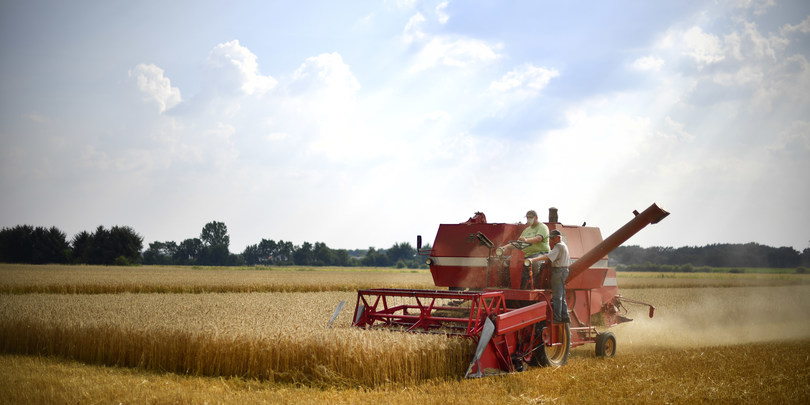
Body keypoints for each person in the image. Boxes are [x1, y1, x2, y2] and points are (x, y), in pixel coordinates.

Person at [499, 210, 549, 288]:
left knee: (531, 264)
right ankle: (511, 285)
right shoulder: (527, 230)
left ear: (536, 217)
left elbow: (538, 239)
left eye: (531, 217)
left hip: (540, 253)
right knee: (507, 262)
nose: (529, 219)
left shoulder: (542, 227)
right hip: (526, 254)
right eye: (527, 218)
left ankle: (530, 286)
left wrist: (526, 240)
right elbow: (518, 243)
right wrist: (504, 248)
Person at [530, 229, 570, 323]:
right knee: (562, 295)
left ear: (558, 238)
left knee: (556, 296)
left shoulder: (558, 246)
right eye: (550, 238)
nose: (551, 240)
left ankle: (557, 318)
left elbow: (547, 257)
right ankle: (565, 316)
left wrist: (533, 260)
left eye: (553, 238)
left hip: (558, 271)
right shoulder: (564, 245)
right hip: (564, 270)